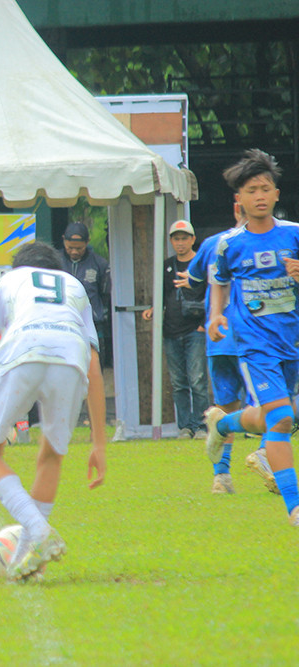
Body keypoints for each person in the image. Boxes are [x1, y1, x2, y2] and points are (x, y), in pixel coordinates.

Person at [0, 241, 107, 582]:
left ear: (17, 267)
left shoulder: (7, 281)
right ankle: (31, 563)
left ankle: (37, 530)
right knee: (50, 456)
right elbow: (94, 365)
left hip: (23, 349)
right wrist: (99, 443)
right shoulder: (73, 287)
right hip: (72, 357)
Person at [203, 148, 299, 526]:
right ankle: (294, 508)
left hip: (290, 342)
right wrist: (215, 315)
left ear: (277, 194)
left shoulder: (294, 235)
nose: (259, 195)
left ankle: (223, 424)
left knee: (268, 417)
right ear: (239, 200)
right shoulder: (230, 244)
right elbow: (219, 281)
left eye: (266, 188)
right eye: (251, 190)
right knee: (282, 420)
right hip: (254, 344)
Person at [179, 205, 272, 495]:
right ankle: (265, 454)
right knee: (275, 403)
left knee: (228, 405)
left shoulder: (210, 244)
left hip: (218, 339)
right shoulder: (268, 243)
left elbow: (192, 282)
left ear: (234, 208)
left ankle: (222, 478)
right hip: (254, 336)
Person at [142, 220, 208, 440]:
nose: (180, 243)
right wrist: (153, 309)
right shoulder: (166, 265)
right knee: (179, 382)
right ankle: (185, 426)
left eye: (184, 238)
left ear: (192, 239)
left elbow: (212, 293)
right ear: (171, 241)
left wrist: (204, 324)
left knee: (197, 379)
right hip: (171, 330)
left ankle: (201, 425)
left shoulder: (201, 263)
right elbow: (162, 294)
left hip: (195, 329)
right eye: (176, 239)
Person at [58, 221, 111, 366]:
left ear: (87, 242)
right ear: (63, 240)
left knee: (93, 365)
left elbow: (105, 293)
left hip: (92, 324)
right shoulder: (55, 262)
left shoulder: (100, 264)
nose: (74, 252)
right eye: (70, 248)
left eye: (79, 248)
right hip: (62, 323)